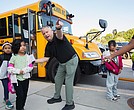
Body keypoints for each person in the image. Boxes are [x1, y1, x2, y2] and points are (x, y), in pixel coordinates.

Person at [35, 19, 78, 110]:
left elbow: (60, 35)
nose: (46, 34)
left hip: (71, 60)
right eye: (44, 33)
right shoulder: (48, 46)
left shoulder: (57, 37)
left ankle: (70, 103)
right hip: (62, 63)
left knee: (68, 82)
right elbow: (46, 58)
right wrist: (34, 61)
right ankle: (57, 97)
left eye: (47, 32)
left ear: (52, 31)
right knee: (57, 79)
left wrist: (58, 28)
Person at [8, 39, 34, 110]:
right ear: (16, 47)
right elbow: (10, 68)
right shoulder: (14, 57)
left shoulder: (28, 57)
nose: (23, 47)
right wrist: (18, 71)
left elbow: (30, 66)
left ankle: (22, 107)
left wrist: (25, 70)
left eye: (24, 45)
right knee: (20, 95)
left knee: (24, 95)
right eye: (20, 46)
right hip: (16, 80)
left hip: (26, 79)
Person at [0, 42, 14, 109]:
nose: (7, 49)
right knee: (6, 87)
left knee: (10, 88)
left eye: (9, 48)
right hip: (3, 76)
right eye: (5, 48)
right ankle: (7, 100)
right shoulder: (1, 56)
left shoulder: (13, 56)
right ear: (3, 49)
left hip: (11, 76)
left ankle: (5, 97)